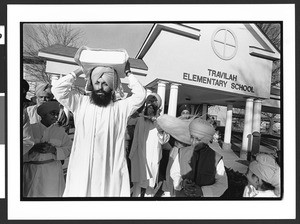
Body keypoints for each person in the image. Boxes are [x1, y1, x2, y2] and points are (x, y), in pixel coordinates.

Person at [51, 60, 146, 197]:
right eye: (97, 83)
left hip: (109, 169)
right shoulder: (80, 103)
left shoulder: (120, 108)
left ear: (112, 87)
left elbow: (140, 95)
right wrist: (80, 70)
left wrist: (128, 73)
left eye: (105, 84)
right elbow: (57, 89)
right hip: (82, 167)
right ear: (91, 84)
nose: (100, 87)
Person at [168, 117, 228, 197]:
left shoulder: (216, 158)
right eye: (192, 137)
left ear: (206, 140)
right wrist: (182, 183)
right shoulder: (182, 152)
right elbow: (174, 173)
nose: (193, 142)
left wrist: (202, 191)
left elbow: (222, 184)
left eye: (198, 139)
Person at [23, 101, 72, 197]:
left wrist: (53, 150)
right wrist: (33, 148)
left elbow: (69, 148)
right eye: (52, 113)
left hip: (52, 173)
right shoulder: (31, 129)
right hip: (32, 171)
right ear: (44, 115)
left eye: (57, 114)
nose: (55, 116)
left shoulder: (60, 132)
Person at [129, 93, 170, 197]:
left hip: (152, 157)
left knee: (150, 186)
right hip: (139, 155)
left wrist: (160, 129)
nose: (150, 109)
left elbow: (164, 140)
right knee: (137, 184)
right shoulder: (139, 118)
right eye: (149, 106)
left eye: (153, 107)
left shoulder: (161, 122)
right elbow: (128, 121)